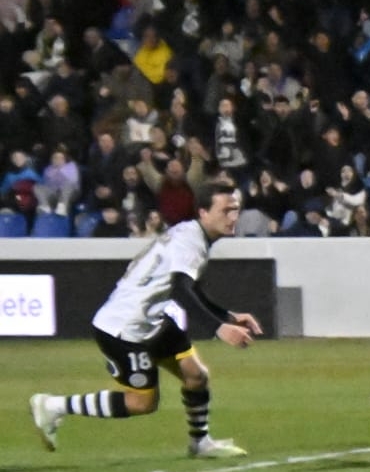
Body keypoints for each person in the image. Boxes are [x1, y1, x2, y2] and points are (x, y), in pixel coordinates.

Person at [29, 182, 260, 457]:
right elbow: (181, 290)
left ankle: (200, 443)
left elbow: (187, 286)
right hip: (124, 330)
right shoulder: (191, 241)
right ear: (203, 212)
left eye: (235, 210)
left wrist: (227, 315)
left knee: (196, 375)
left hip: (152, 320)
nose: (233, 217)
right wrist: (219, 327)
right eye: (226, 210)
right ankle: (53, 406)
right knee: (142, 403)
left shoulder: (190, 234)